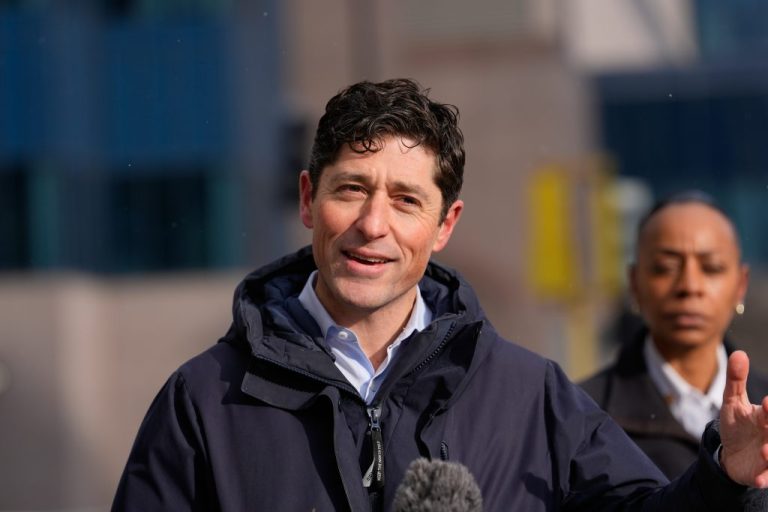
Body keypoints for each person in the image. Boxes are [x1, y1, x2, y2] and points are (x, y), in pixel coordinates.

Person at [112, 79, 768, 512]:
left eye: (406, 200)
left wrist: (723, 481)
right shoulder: (201, 401)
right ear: (310, 200)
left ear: (444, 226)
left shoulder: (530, 396)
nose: (374, 224)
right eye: (351, 190)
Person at [580, 191, 768, 508]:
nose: (689, 286)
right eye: (665, 267)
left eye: (711, 267)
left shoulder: (763, 410)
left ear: (740, 285)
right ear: (635, 283)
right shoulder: (583, 415)